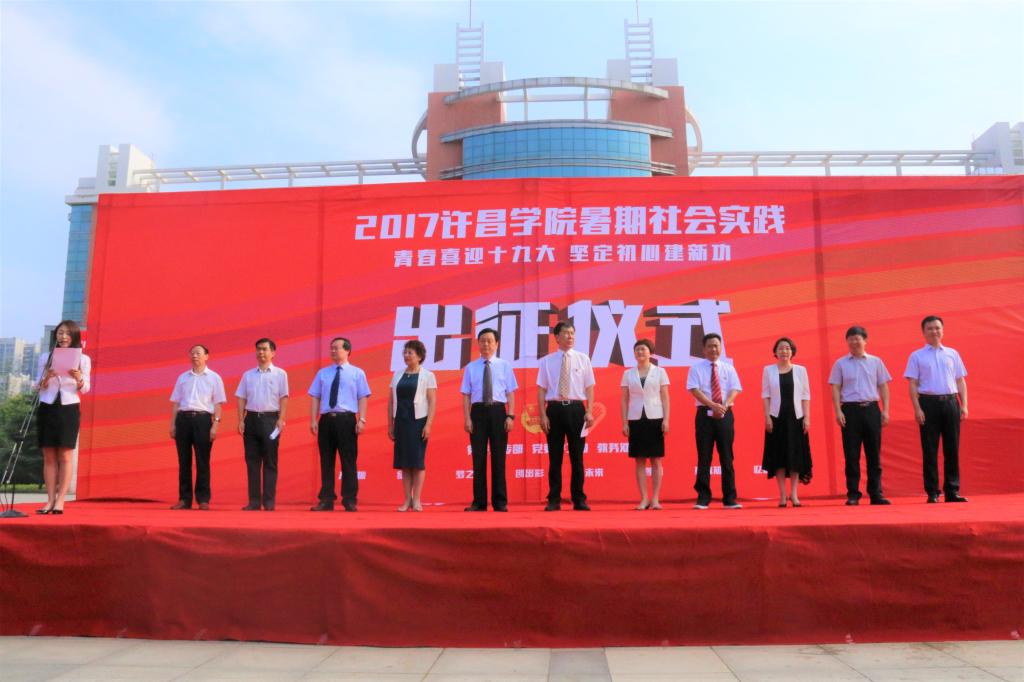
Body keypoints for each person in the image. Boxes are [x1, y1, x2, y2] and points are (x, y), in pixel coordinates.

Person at [905, 315, 969, 503]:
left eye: (937, 328)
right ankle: (932, 492)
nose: (934, 331)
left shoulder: (952, 354)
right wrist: (917, 408)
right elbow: (912, 384)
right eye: (930, 328)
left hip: (951, 402)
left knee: (952, 449)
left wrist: (964, 405)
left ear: (942, 330)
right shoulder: (917, 356)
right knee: (930, 449)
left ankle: (952, 491)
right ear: (923, 332)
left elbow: (960, 380)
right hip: (928, 404)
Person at [828, 326, 892, 506]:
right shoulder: (840, 364)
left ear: (865, 341)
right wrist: (838, 410)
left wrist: (885, 410)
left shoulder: (876, 362)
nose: (854, 342)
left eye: (858, 338)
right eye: (851, 339)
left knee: (874, 454)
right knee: (851, 454)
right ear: (847, 342)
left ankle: (876, 493)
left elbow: (883, 386)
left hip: (871, 409)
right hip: (850, 411)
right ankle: (853, 494)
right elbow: (836, 388)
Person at [536, 321, 596, 511]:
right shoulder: (547, 361)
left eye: (572, 333)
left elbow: (589, 387)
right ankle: (554, 499)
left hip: (577, 410)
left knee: (577, 457)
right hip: (554, 410)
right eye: (566, 333)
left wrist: (589, 411)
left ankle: (579, 498)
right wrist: (543, 415)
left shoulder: (583, 359)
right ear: (556, 337)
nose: (570, 336)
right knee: (555, 457)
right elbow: (541, 389)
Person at [34, 320, 91, 515]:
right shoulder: (46, 357)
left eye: (67, 333)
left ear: (74, 336)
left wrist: (78, 378)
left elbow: (86, 388)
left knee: (65, 455)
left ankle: (60, 501)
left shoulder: (83, 359)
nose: (63, 337)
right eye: (60, 333)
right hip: (47, 406)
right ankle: (49, 500)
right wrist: (47, 377)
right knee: (49, 455)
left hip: (69, 408)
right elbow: (37, 386)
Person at [308, 337, 370, 512]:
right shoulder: (323, 373)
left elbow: (363, 397)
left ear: (347, 350)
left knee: (348, 460)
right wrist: (313, 419)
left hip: (346, 420)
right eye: (331, 348)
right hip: (326, 420)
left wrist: (362, 419)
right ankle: (326, 499)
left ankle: (349, 499)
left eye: (337, 348)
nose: (333, 351)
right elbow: (315, 397)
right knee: (326, 461)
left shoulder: (357, 373)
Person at [461, 328, 518, 512]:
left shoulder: (504, 365)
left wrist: (510, 415)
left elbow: (510, 393)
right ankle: (479, 502)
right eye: (482, 341)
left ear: (496, 344)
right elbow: (466, 395)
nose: (486, 344)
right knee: (478, 458)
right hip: (477, 413)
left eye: (489, 341)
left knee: (498, 458)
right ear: (478, 344)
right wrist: (467, 418)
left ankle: (500, 502)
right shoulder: (471, 367)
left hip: (498, 412)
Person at [687, 333, 743, 509]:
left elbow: (735, 389)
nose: (713, 349)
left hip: (725, 413)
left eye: (716, 346)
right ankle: (703, 497)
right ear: (704, 349)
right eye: (710, 346)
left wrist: (723, 406)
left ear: (721, 348)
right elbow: (694, 390)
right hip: (704, 414)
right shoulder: (696, 369)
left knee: (727, 456)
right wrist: (712, 405)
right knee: (704, 456)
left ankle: (730, 498)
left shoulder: (728, 368)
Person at [169, 344, 227, 510]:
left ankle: (203, 499)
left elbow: (218, 404)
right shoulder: (183, 377)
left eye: (198, 353)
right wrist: (172, 424)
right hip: (183, 420)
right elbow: (176, 403)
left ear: (206, 356)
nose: (195, 356)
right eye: (192, 353)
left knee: (203, 460)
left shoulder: (214, 378)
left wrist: (215, 425)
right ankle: (184, 499)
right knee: (183, 461)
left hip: (203, 420)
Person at [235, 338, 289, 511]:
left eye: (265, 349)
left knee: (270, 462)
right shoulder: (248, 375)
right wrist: (240, 419)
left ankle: (269, 501)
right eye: (258, 349)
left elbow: (284, 397)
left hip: (270, 420)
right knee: (252, 462)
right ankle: (254, 501)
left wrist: (281, 419)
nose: (261, 352)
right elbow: (241, 398)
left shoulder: (280, 374)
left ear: (273, 353)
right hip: (251, 419)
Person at [760, 337, 813, 508]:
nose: (784, 351)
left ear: (792, 351)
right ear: (775, 352)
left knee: (795, 457)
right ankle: (782, 495)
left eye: (787, 348)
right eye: (781, 348)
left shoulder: (801, 370)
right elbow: (765, 395)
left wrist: (807, 417)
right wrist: (767, 417)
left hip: (796, 418)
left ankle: (794, 495)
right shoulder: (768, 370)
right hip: (776, 418)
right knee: (779, 457)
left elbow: (805, 396)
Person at [620, 339, 670, 510]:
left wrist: (666, 419)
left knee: (656, 459)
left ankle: (655, 499)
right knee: (639, 459)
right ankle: (644, 499)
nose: (640, 352)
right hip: (635, 419)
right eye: (637, 350)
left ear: (650, 352)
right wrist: (624, 422)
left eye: (643, 349)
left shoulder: (660, 372)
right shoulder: (628, 374)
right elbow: (624, 399)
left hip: (655, 417)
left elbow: (665, 397)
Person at [388, 340, 437, 512]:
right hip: (401, 422)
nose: (406, 355)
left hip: (418, 422)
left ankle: (417, 500)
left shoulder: (428, 375)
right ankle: (406, 499)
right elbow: (391, 401)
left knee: (417, 462)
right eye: (405, 352)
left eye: (410, 353)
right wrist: (390, 424)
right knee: (405, 463)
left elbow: (432, 402)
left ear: (419, 356)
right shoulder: (397, 374)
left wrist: (428, 424)